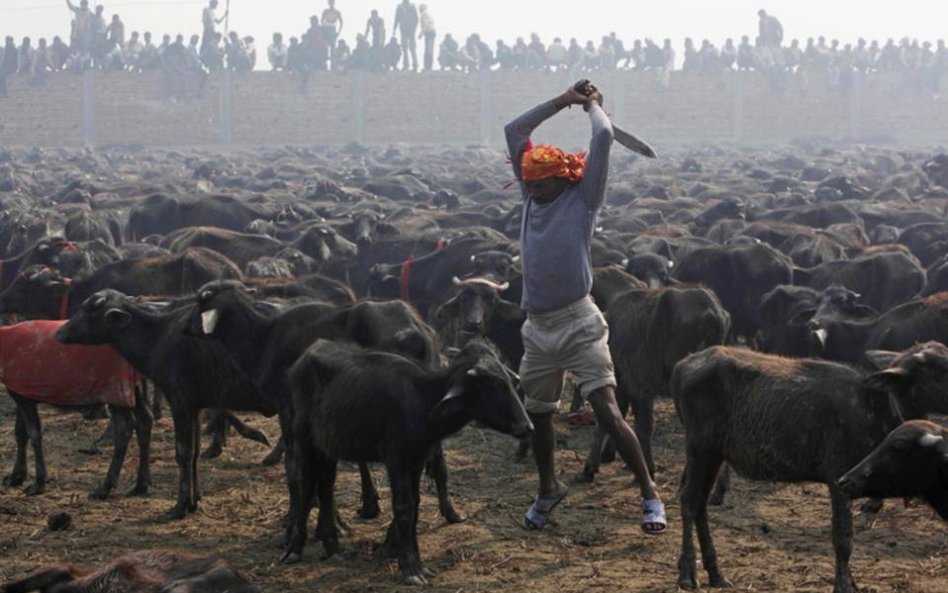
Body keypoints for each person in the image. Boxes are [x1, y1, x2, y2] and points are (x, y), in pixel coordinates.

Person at [504, 82, 667, 535]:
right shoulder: (530, 196)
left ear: (562, 179)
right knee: (539, 416)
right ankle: (547, 488)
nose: (533, 191)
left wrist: (595, 108)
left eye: (541, 185)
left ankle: (650, 493)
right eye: (529, 184)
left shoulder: (582, 200)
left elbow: (602, 139)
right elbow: (514, 130)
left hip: (579, 322)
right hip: (537, 327)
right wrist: (563, 101)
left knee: (609, 411)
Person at [393, 0, 419, 71]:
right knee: (404, 48)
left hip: (410, 30)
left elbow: (416, 19)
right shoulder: (400, 7)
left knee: (412, 47)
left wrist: (414, 28)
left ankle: (415, 65)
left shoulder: (412, 7)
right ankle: (406, 65)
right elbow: (397, 18)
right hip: (403, 30)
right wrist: (394, 28)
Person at [321, 0, 343, 69]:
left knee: (333, 49)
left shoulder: (337, 12)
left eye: (332, 2)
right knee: (325, 48)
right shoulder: (325, 11)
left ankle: (333, 66)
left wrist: (338, 32)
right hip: (326, 29)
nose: (331, 4)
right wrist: (323, 28)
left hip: (333, 30)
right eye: (330, 2)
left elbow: (341, 22)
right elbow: (321, 20)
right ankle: (324, 65)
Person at [418, 4, 435, 72]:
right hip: (432, 32)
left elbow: (425, 25)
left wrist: (421, 34)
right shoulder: (428, 14)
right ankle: (429, 67)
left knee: (428, 50)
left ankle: (427, 67)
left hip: (429, 33)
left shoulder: (423, 15)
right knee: (430, 50)